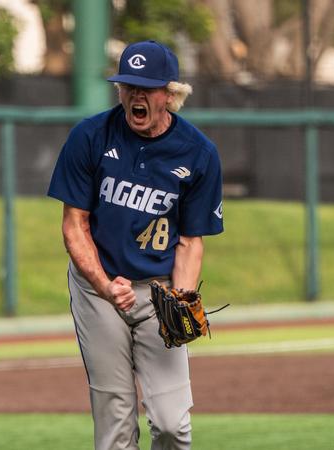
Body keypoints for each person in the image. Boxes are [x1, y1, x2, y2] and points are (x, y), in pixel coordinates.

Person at [47, 40, 224, 449]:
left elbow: (189, 241)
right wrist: (104, 285)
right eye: (128, 85)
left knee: (170, 425)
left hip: (159, 291)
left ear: (171, 94)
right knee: (116, 424)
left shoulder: (198, 154)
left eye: (146, 87)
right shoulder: (90, 137)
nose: (135, 95)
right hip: (99, 290)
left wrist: (182, 295)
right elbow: (74, 225)